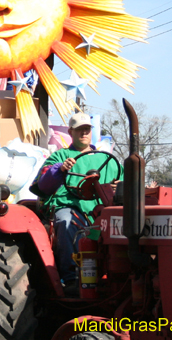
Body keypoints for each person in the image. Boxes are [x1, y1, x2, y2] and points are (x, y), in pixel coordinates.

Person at [29, 112, 120, 295]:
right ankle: (71, 278)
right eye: (79, 130)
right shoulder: (61, 156)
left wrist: (119, 186)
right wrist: (60, 169)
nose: (84, 133)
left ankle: (116, 275)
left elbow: (123, 181)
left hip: (99, 210)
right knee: (65, 220)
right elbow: (44, 184)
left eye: (87, 129)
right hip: (70, 207)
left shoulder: (106, 159)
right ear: (71, 132)